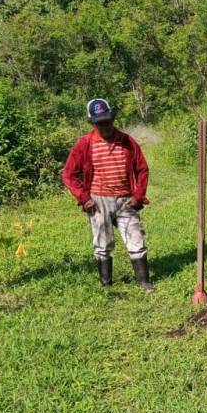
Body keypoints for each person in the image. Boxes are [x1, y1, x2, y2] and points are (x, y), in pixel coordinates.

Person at [62, 98, 153, 291]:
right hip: (98, 200)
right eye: (100, 123)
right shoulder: (84, 144)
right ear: (92, 123)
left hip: (125, 199)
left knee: (135, 238)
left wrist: (138, 195)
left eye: (107, 121)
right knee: (102, 242)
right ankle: (106, 284)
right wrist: (84, 198)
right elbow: (69, 174)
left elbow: (142, 169)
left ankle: (144, 281)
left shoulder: (127, 141)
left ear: (112, 118)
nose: (105, 126)